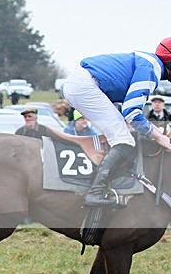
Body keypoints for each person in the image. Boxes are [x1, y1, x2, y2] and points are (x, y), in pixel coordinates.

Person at [61, 37, 171, 206]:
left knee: (125, 135)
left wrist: (152, 130)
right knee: (124, 140)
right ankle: (95, 192)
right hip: (85, 86)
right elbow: (132, 112)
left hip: (84, 84)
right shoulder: (151, 69)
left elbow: (129, 111)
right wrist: (159, 136)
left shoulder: (150, 63)